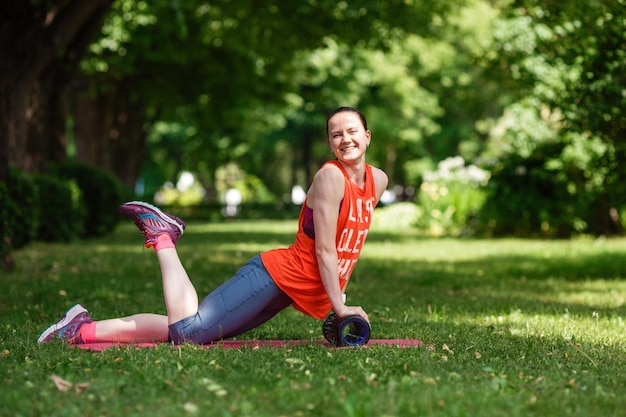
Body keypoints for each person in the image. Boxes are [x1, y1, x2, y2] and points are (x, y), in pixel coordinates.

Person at [38, 106, 389, 345]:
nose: (345, 140)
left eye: (352, 131)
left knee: (191, 328)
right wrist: (340, 307)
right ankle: (162, 236)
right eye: (336, 134)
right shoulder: (330, 177)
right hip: (276, 276)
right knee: (189, 332)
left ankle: (81, 329)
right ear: (329, 143)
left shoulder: (379, 180)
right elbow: (325, 248)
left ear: (368, 136)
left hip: (293, 289)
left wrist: (337, 292)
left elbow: (349, 242)